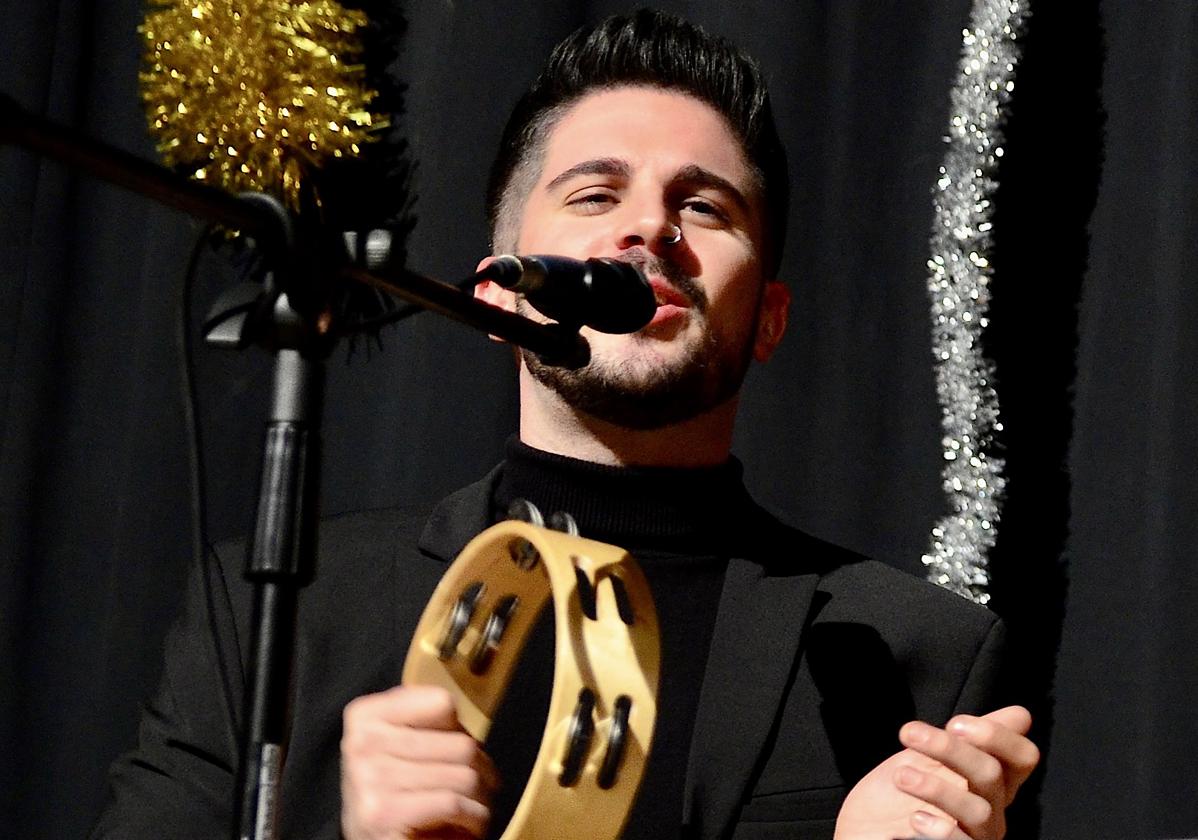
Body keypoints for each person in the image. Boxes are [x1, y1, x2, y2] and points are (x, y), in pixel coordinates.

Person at [92, 10, 1038, 840]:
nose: (649, 229)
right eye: (595, 194)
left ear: (771, 321)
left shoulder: (922, 658)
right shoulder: (278, 615)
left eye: (704, 205)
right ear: (497, 286)